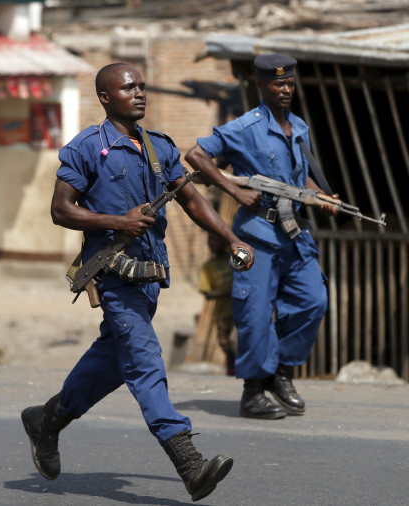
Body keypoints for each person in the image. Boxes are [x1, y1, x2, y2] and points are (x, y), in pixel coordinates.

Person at [20, 63, 254, 503]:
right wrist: (115, 221)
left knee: (111, 363)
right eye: (129, 88)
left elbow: (190, 198)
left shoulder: (157, 147)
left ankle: (47, 419)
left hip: (148, 277)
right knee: (145, 363)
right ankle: (189, 462)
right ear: (106, 98)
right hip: (113, 277)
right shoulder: (88, 148)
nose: (139, 93)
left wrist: (231, 237)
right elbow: (61, 209)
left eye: (142, 86)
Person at [185, 54, 334, 419]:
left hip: (294, 235)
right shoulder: (244, 127)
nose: (285, 90)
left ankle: (280, 373)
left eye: (290, 84)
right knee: (253, 312)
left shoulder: (298, 127)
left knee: (313, 301)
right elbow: (196, 155)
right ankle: (253, 390)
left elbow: (298, 179)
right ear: (261, 85)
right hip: (252, 237)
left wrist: (321, 196)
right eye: (277, 84)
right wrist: (232, 191)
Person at [198, 232, 236, 376]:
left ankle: (241, 369)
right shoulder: (208, 266)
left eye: (215, 240)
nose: (212, 244)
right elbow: (207, 293)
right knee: (225, 343)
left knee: (238, 341)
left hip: (240, 309)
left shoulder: (234, 259)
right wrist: (228, 292)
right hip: (223, 312)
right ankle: (231, 369)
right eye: (210, 241)